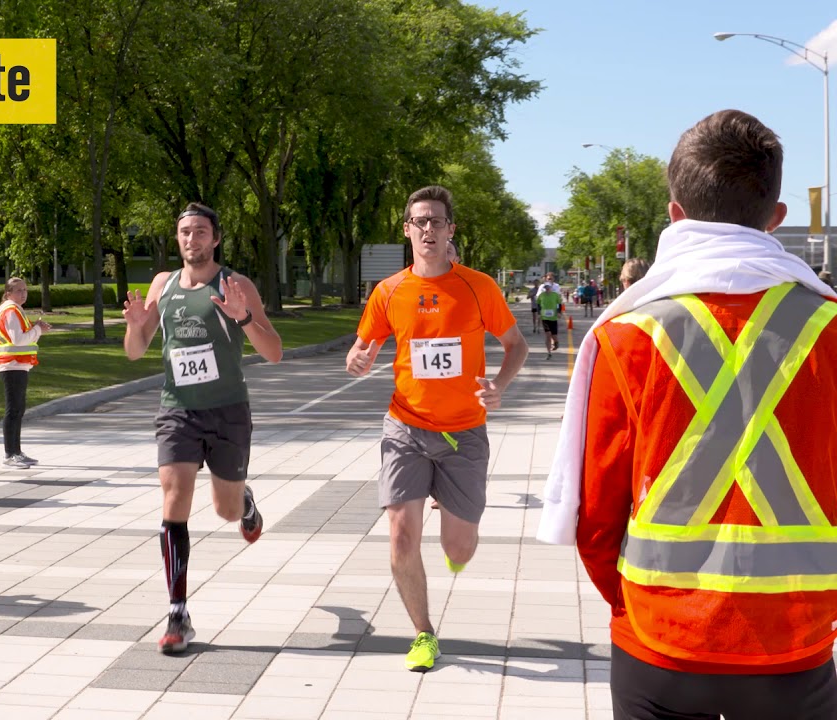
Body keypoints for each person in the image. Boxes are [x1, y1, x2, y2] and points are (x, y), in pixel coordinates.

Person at [539, 110, 837, 719]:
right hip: (795, 646)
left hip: (659, 641)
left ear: (675, 214)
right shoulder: (829, 328)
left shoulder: (625, 333)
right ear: (775, 219)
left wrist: (632, 605)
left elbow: (596, 513)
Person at [345, 185, 528, 672]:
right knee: (401, 535)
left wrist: (499, 386)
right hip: (405, 427)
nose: (428, 229)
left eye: (436, 221)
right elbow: (360, 349)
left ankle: (447, 501)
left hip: (464, 434)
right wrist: (358, 360)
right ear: (407, 230)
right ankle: (424, 634)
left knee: (458, 548)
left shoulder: (478, 286)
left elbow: (516, 345)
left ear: (450, 230)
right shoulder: (388, 292)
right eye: (419, 221)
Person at [123, 202, 283, 654]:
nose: (190, 239)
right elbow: (136, 352)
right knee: (173, 497)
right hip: (178, 410)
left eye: (199, 232)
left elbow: (274, 353)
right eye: (183, 232)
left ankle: (245, 501)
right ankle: (177, 612)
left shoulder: (237, 285)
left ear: (215, 239)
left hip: (228, 411)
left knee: (226, 512)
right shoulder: (163, 284)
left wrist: (244, 318)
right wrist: (136, 327)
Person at [0, 277, 51, 468]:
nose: (23, 293)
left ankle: (16, 451)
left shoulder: (15, 310)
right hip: (12, 365)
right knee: (13, 410)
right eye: (19, 290)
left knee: (18, 410)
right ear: (8, 293)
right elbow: (18, 340)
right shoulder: (10, 311)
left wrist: (36, 328)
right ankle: (10, 453)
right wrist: (38, 330)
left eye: (25, 290)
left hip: (17, 365)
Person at [535, 282, 563, 359]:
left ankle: (556, 342)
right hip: (545, 317)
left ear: (551, 288)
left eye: (548, 288)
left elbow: (559, 304)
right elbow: (538, 304)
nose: (547, 289)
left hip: (553, 317)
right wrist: (539, 313)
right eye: (546, 288)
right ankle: (549, 352)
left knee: (554, 335)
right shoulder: (541, 295)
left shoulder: (555, 295)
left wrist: (559, 312)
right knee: (548, 335)